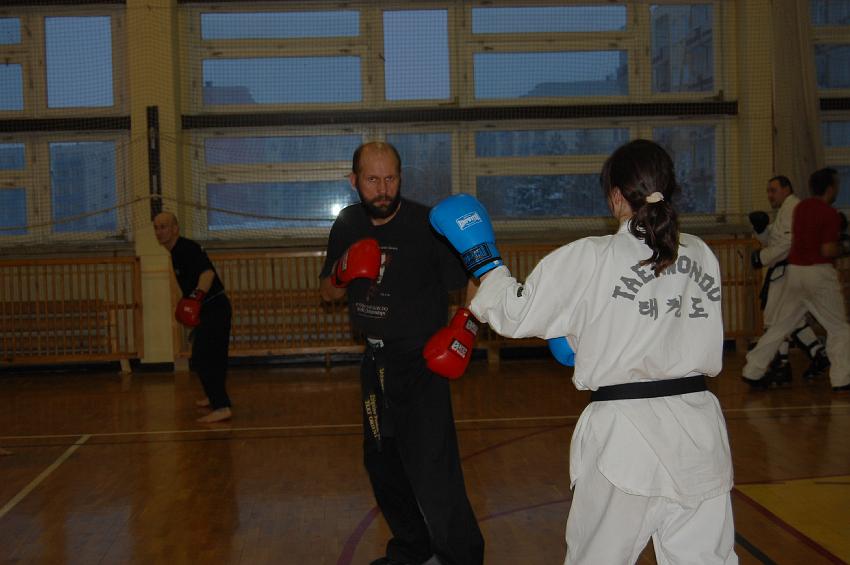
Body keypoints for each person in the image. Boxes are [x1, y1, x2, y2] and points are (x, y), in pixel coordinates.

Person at [431, 139, 736, 564]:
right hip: (700, 433)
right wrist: (580, 340)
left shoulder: (592, 256)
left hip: (625, 438)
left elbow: (516, 314)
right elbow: (661, 324)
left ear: (616, 195)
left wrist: (483, 263)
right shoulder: (702, 254)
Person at [319, 142, 484, 565]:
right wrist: (342, 272)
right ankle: (413, 550)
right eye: (372, 179)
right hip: (375, 364)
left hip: (421, 363)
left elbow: (477, 275)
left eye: (390, 178)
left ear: (401, 177)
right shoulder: (347, 223)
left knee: (433, 469)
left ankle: (462, 558)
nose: (382, 189)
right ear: (353, 180)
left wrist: (466, 327)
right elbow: (327, 292)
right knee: (383, 465)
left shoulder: (427, 226)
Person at [743, 168, 850, 392]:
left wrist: (763, 248)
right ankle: (842, 379)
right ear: (831, 188)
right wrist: (844, 247)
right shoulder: (828, 213)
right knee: (839, 328)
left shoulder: (800, 209)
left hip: (794, 272)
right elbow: (827, 249)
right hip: (818, 273)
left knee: (780, 326)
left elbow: (787, 239)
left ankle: (752, 370)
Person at [153, 211, 234, 423]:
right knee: (208, 356)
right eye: (156, 228)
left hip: (214, 307)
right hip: (209, 308)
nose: (159, 232)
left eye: (164, 227)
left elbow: (208, 274)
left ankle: (221, 406)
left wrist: (194, 299)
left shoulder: (185, 249)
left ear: (175, 229)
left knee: (205, 357)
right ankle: (214, 396)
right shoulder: (176, 252)